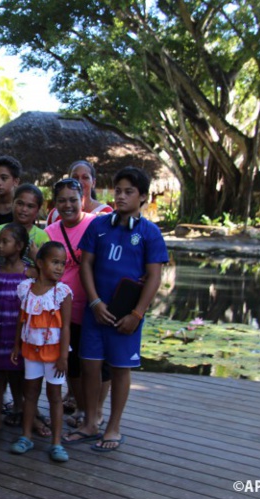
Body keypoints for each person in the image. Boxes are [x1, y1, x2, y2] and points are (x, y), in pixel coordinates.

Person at [65, 167, 168, 452]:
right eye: (118, 191)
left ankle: (113, 427)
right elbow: (86, 265)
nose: (121, 196)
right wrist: (95, 302)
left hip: (126, 316)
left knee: (121, 369)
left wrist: (137, 314)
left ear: (143, 197)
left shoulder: (150, 233)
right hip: (95, 311)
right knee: (90, 366)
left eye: (129, 192)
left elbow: (154, 277)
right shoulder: (98, 226)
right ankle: (90, 423)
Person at [44, 179, 110, 429]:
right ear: (55, 203)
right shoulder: (50, 232)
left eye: (73, 200)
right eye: (62, 200)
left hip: (95, 306)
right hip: (64, 311)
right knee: (72, 364)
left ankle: (97, 410)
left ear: (83, 199)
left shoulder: (97, 224)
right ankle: (82, 408)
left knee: (98, 363)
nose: (68, 205)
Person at [10, 242, 72, 462]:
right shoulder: (26, 289)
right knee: (30, 393)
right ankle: (26, 436)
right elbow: (22, 319)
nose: (59, 268)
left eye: (62, 264)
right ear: (39, 262)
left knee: (55, 395)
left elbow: (66, 327)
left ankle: (56, 443)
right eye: (55, 262)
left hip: (54, 354)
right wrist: (17, 345)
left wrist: (64, 356)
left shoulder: (62, 292)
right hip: (31, 350)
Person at [0, 223, 35, 438]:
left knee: (19, 372)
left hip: (19, 332)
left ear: (20, 246)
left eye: (5, 242)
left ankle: (21, 410)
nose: (0, 246)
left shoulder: (29, 273)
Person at [0, 184, 50, 265]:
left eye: (30, 206)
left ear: (38, 210)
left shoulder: (42, 237)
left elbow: (47, 269)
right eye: (20, 203)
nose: (24, 209)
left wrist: (36, 258)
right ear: (12, 203)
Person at [45, 161, 113, 226]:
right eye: (75, 177)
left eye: (85, 177)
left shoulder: (106, 212)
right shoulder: (56, 214)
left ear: (93, 183)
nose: (79, 181)